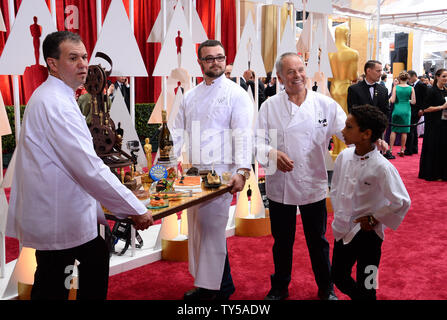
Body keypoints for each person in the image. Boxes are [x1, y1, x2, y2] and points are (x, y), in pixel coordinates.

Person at [6, 31, 153, 300]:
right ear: (52, 63)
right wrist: (134, 208)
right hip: (58, 213)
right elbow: (88, 166)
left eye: (84, 56)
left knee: (68, 272)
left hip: (62, 211)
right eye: (73, 58)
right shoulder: (54, 101)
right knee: (58, 280)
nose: (84, 64)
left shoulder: (59, 95)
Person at [255, 52, 347, 301]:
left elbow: (348, 133)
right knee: (282, 241)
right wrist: (272, 152)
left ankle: (326, 287)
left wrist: (371, 141)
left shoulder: (325, 104)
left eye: (300, 70)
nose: (297, 76)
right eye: (290, 72)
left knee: (317, 240)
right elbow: (256, 142)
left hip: (313, 182)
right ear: (280, 77)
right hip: (280, 184)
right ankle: (280, 286)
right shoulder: (269, 106)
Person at [173, 39, 253, 300]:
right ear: (200, 62)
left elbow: (243, 134)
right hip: (193, 173)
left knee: (212, 231)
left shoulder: (236, 94)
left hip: (222, 173)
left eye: (220, 57)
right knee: (198, 230)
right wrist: (165, 164)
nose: (216, 62)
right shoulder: (190, 96)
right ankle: (208, 284)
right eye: (210, 58)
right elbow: (176, 132)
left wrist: (242, 170)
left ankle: (220, 289)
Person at [330, 105, 411, 300]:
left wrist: (375, 218)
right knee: (338, 275)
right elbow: (336, 188)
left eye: (349, 127)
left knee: (369, 282)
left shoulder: (382, 167)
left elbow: (402, 201)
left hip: (369, 235)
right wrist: (340, 214)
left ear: (366, 134)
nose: (342, 131)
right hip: (343, 229)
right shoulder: (344, 156)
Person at [347, 60, 392, 159]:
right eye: (378, 71)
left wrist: (382, 127)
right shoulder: (354, 89)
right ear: (368, 71)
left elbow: (386, 111)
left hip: (377, 134)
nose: (381, 74)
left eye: (381, 71)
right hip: (360, 133)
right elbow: (352, 111)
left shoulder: (383, 90)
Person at [418, 68, 447, 181]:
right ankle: (433, 173)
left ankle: (442, 173)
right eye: (444, 76)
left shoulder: (446, 90)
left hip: (444, 124)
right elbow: (425, 109)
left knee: (443, 148)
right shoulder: (431, 91)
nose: (446, 78)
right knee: (434, 148)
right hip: (434, 125)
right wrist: (441, 107)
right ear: (437, 77)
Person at [388, 71, 415, 157]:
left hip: (397, 110)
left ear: (399, 79)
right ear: (408, 79)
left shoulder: (396, 87)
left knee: (394, 130)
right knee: (404, 131)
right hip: (406, 110)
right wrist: (407, 101)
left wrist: (390, 100)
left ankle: (391, 149)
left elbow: (392, 100)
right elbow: (414, 102)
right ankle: (402, 149)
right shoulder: (411, 88)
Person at [405, 70, 428, 155]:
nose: (408, 80)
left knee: (410, 129)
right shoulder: (412, 85)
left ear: (414, 76)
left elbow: (426, 98)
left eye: (409, 78)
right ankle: (414, 148)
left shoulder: (421, 85)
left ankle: (409, 149)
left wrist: (422, 109)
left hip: (418, 110)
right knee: (413, 130)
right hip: (413, 110)